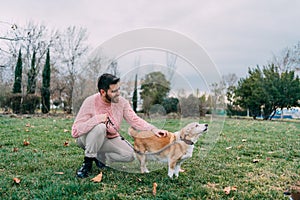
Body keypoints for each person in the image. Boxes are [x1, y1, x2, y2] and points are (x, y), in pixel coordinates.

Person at [72, 73, 167, 178]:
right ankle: (87, 163)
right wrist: (97, 119)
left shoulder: (122, 102)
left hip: (109, 138)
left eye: (118, 89)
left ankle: (99, 155)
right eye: (114, 91)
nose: (118, 93)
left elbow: (134, 119)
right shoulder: (90, 102)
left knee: (130, 155)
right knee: (100, 127)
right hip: (88, 138)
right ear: (103, 92)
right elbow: (75, 131)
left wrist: (153, 129)